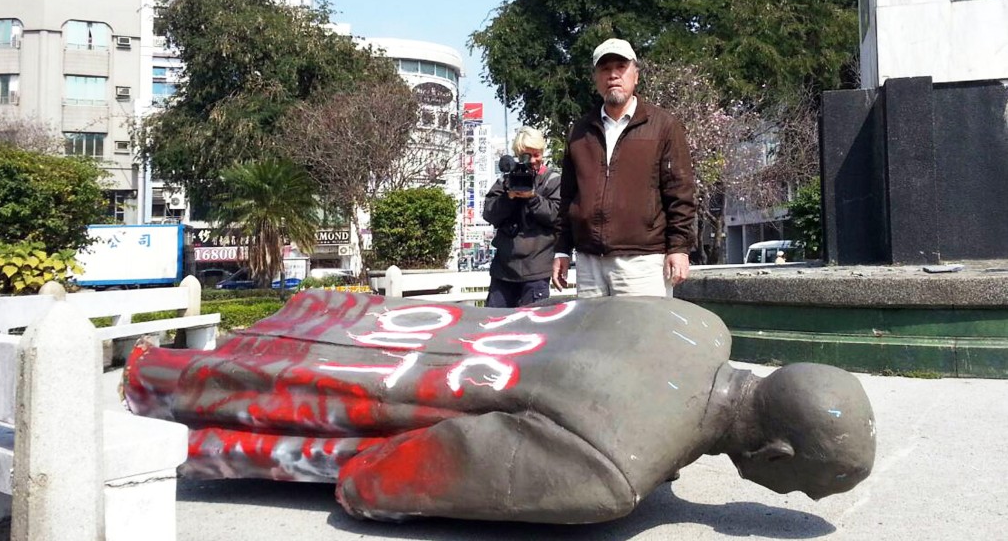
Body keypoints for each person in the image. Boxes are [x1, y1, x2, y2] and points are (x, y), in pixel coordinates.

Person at [123, 290, 876, 524]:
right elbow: (395, 475)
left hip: (335, 328)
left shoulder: (692, 322)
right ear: (774, 458)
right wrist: (357, 493)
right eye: (805, 484)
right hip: (293, 395)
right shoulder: (611, 469)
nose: (793, 491)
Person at [552, 38, 696, 298]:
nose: (613, 75)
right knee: (594, 337)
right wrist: (562, 249)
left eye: (621, 66)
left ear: (636, 75)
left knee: (644, 337)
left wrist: (679, 247)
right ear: (596, 78)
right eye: (605, 69)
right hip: (589, 262)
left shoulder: (663, 126)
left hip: (643, 262)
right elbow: (568, 198)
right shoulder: (579, 131)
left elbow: (680, 193)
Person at [482, 127, 560, 307]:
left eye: (537, 154)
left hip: (536, 270)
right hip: (504, 270)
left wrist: (533, 198)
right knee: (494, 325)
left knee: (531, 328)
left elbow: (557, 216)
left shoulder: (552, 180)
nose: (532, 161)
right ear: (518, 155)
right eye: (526, 156)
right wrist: (508, 197)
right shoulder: (505, 181)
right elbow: (489, 213)